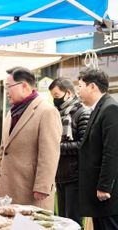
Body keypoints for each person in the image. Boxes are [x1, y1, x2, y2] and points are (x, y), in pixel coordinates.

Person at [0, 67, 62, 211]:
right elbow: (3, 150)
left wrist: (42, 187)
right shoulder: (11, 112)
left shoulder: (47, 111)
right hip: (7, 189)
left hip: (31, 190)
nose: (6, 92)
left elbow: (50, 153)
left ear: (24, 86)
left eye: (9, 87)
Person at [78, 68, 118, 230]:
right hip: (97, 194)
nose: (78, 92)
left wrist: (104, 186)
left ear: (92, 86)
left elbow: (112, 151)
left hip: (107, 195)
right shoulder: (99, 108)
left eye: (80, 86)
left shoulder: (110, 109)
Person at [48, 78, 90, 226]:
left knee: (73, 221)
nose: (55, 100)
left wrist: (57, 146)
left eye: (56, 95)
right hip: (60, 176)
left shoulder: (82, 113)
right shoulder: (58, 114)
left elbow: (83, 145)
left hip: (75, 176)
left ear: (68, 93)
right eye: (52, 96)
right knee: (62, 221)